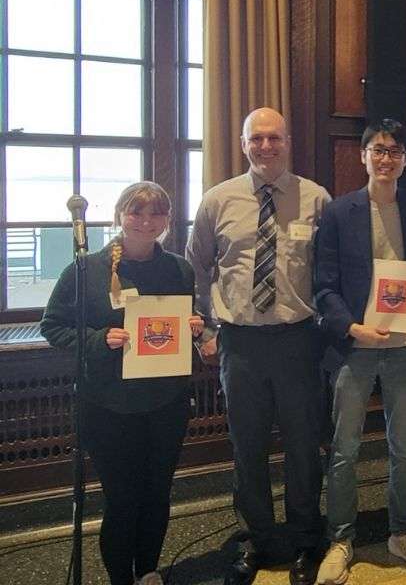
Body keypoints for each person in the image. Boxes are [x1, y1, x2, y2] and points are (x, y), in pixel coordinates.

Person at [186, 107, 331, 585]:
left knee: (303, 448)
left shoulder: (316, 199)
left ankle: (307, 541)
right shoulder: (217, 200)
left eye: (275, 138)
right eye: (257, 139)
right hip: (240, 345)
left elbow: (330, 271)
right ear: (244, 143)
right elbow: (197, 271)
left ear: (288, 141)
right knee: (247, 448)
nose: (266, 147)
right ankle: (258, 541)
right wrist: (206, 332)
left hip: (298, 342)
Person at [40, 182, 203, 585]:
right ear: (119, 215)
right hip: (108, 406)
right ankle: (120, 578)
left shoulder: (178, 269)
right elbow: (53, 325)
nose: (146, 222)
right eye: (136, 212)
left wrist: (194, 328)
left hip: (166, 403)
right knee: (122, 499)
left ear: (167, 220)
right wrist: (98, 340)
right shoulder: (87, 269)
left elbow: (180, 324)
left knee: (158, 494)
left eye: (156, 214)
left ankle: (148, 569)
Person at [313, 119, 406, 583]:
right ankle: (341, 538)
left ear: (405, 160)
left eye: (395, 151)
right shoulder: (337, 212)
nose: (386, 158)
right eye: (378, 150)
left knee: (405, 448)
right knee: (346, 449)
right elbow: (323, 285)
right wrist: (351, 328)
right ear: (363, 156)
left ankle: (402, 532)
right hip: (356, 346)